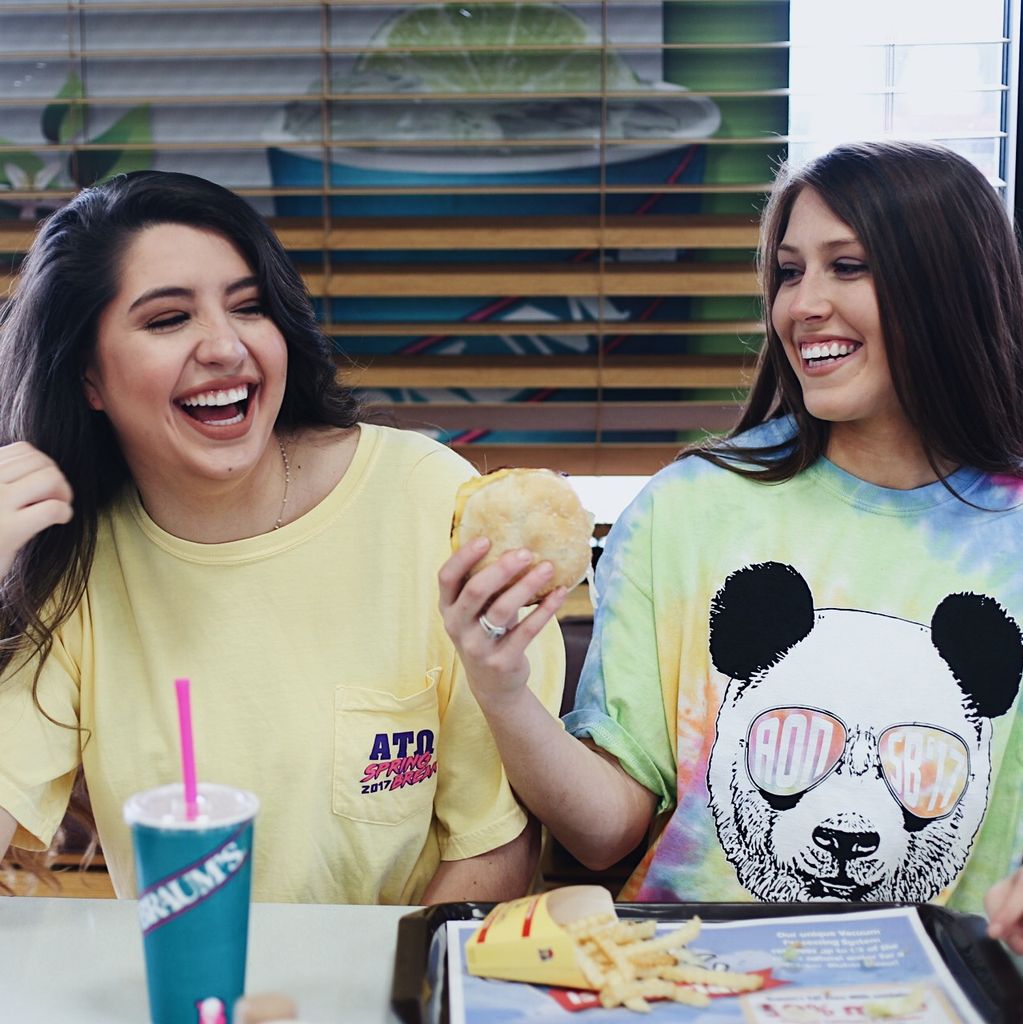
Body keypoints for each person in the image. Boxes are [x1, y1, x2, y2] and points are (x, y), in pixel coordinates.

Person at [439, 140, 1023, 952]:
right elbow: (609, 831)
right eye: (789, 272)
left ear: (946, 284)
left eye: (845, 266)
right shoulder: (689, 511)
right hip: (686, 978)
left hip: (945, 984)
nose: (800, 306)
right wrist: (501, 689)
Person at [0, 170, 563, 904]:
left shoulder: (426, 499)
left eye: (250, 307)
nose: (225, 347)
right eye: (168, 320)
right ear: (88, 379)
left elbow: (494, 851)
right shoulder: (71, 560)